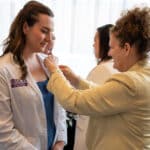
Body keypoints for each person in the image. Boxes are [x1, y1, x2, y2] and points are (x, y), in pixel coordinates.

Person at [44, 6, 150, 150]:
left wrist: (54, 71)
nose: (110, 54)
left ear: (126, 48)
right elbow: (106, 94)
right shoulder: (144, 76)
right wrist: (77, 80)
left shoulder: (130, 83)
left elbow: (74, 101)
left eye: (112, 47)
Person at [0, 1, 67, 150]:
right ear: (25, 28)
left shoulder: (48, 64)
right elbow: (3, 130)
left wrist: (60, 143)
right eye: (44, 31)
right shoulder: (3, 69)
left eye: (52, 33)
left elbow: (60, 108)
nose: (50, 38)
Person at [74, 24, 118, 150]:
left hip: (90, 138)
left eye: (95, 40)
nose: (93, 45)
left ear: (105, 43)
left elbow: (82, 102)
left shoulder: (102, 70)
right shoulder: (113, 67)